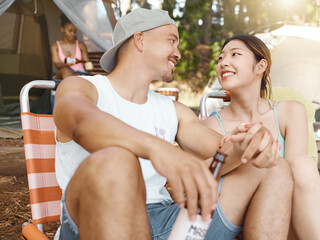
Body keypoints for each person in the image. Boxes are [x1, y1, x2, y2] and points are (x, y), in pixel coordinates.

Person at [53, 8, 293, 240]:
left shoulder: (172, 110)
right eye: (171, 41)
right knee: (117, 160)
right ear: (140, 40)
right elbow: (81, 122)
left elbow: (222, 150)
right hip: (94, 218)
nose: (178, 53)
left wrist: (250, 143)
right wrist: (158, 148)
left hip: (166, 222)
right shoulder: (82, 88)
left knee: (274, 169)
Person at [202, 34, 320, 240]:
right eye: (220, 58)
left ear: (260, 67)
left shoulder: (290, 110)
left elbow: (300, 175)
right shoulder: (212, 125)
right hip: (259, 212)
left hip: (306, 202)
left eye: (235, 54)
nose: (224, 62)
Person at [50, 15, 92, 80]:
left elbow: (88, 64)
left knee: (78, 76)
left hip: (80, 73)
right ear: (62, 29)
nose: (73, 34)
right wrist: (68, 64)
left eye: (75, 32)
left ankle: (71, 87)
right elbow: (58, 65)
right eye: (70, 31)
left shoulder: (81, 45)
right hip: (63, 74)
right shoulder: (55, 46)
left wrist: (85, 64)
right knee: (65, 70)